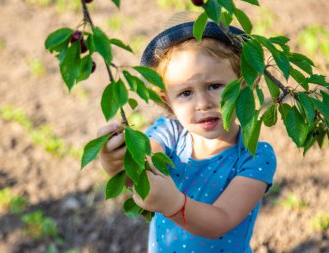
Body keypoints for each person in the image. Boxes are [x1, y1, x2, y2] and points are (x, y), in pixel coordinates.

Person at [97, 12, 277, 253]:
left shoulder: (254, 157)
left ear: (244, 84)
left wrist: (175, 205)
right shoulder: (168, 133)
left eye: (215, 86)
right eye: (185, 93)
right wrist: (115, 162)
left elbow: (221, 220)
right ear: (167, 100)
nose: (203, 103)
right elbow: (141, 170)